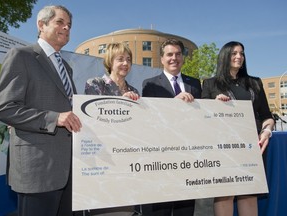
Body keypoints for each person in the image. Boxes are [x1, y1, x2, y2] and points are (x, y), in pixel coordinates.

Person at [0, 5, 82, 216]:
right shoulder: (21, 56)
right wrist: (55, 118)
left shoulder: (66, 66)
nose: (66, 28)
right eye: (60, 22)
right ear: (41, 24)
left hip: (68, 170)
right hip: (37, 170)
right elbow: (5, 107)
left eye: (69, 25)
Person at [201, 41, 274, 216]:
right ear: (225, 56)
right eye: (234, 53)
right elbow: (203, 118)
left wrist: (266, 131)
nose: (239, 57)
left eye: (241, 53)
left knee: (249, 195)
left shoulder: (254, 82)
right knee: (225, 195)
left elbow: (267, 116)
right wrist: (214, 105)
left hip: (253, 146)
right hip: (225, 148)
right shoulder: (210, 84)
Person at [139, 38, 202, 216]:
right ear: (162, 59)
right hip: (162, 156)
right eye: (169, 54)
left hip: (189, 156)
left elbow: (202, 118)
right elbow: (150, 119)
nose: (174, 58)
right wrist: (173, 104)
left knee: (186, 207)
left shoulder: (195, 84)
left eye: (178, 54)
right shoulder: (150, 84)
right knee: (161, 208)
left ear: (183, 57)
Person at [84, 42, 139, 215]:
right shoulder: (95, 84)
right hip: (103, 160)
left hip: (127, 160)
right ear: (109, 61)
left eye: (128, 59)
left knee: (125, 209)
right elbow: (95, 122)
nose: (125, 63)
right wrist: (122, 102)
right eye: (120, 59)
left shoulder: (134, 90)